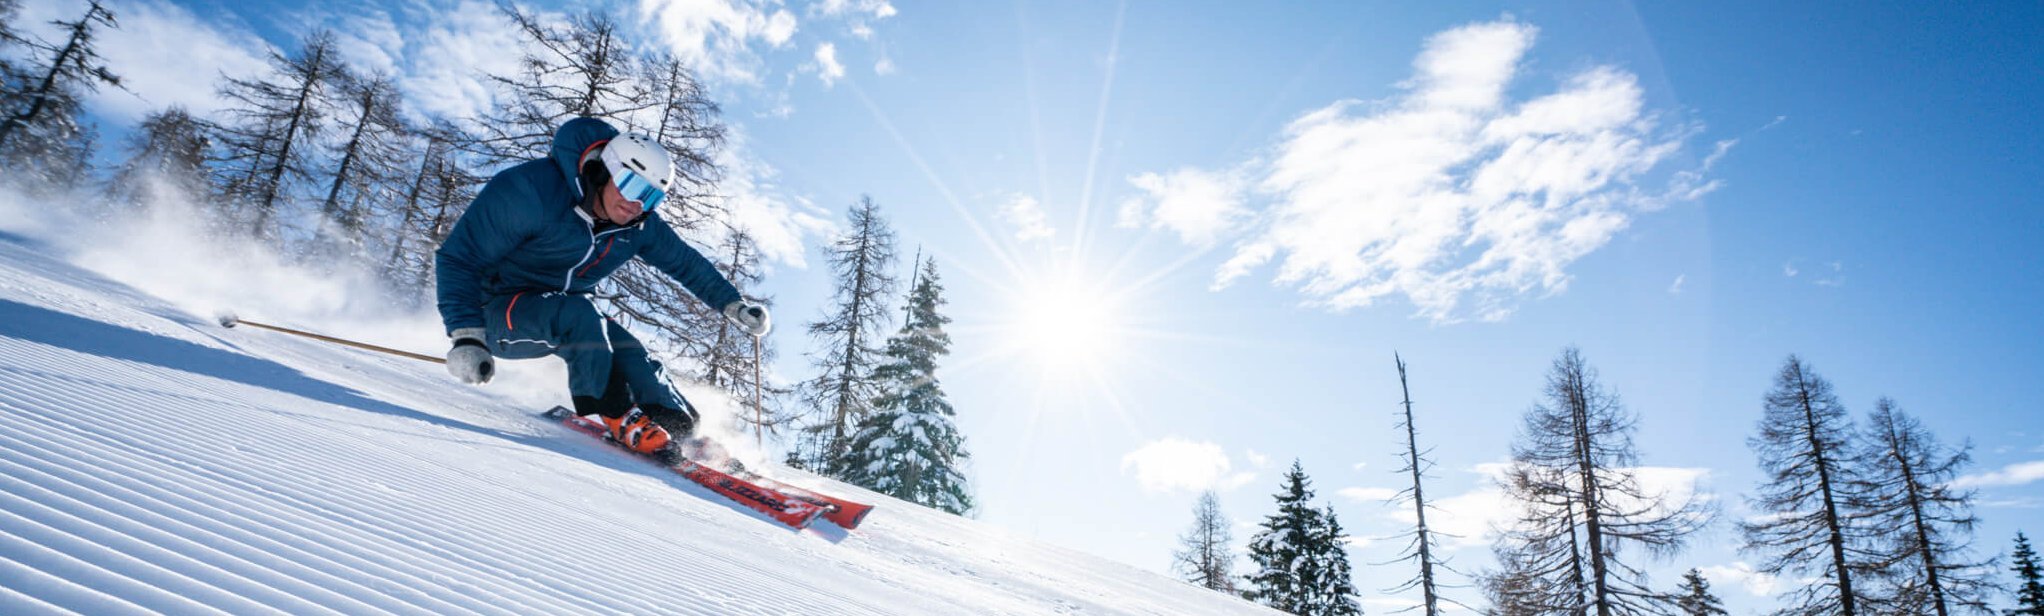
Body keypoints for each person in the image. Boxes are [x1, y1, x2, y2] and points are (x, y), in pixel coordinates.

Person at [434, 116, 769, 455]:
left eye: (651, 197)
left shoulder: (636, 226)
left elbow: (686, 263)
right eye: (633, 186)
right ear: (604, 170)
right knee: (579, 315)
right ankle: (619, 415)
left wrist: (734, 305)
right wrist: (466, 336)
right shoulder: (531, 191)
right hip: (491, 311)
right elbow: (458, 257)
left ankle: (680, 430)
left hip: (566, 315)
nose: (636, 204)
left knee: (629, 350)